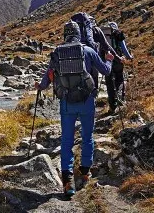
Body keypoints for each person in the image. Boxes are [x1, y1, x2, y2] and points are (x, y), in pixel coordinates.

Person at [36, 21, 113, 197]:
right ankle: (85, 173)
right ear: (79, 33)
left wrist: (40, 87)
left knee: (67, 141)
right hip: (87, 101)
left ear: (65, 35)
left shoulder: (57, 52)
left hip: (67, 103)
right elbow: (106, 72)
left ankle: (68, 182)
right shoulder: (88, 50)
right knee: (87, 137)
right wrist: (109, 60)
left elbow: (47, 79)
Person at [102, 22, 134, 114]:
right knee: (119, 78)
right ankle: (120, 98)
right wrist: (129, 57)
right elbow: (123, 48)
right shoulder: (118, 34)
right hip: (118, 59)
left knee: (109, 83)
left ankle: (112, 106)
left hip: (106, 60)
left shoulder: (103, 35)